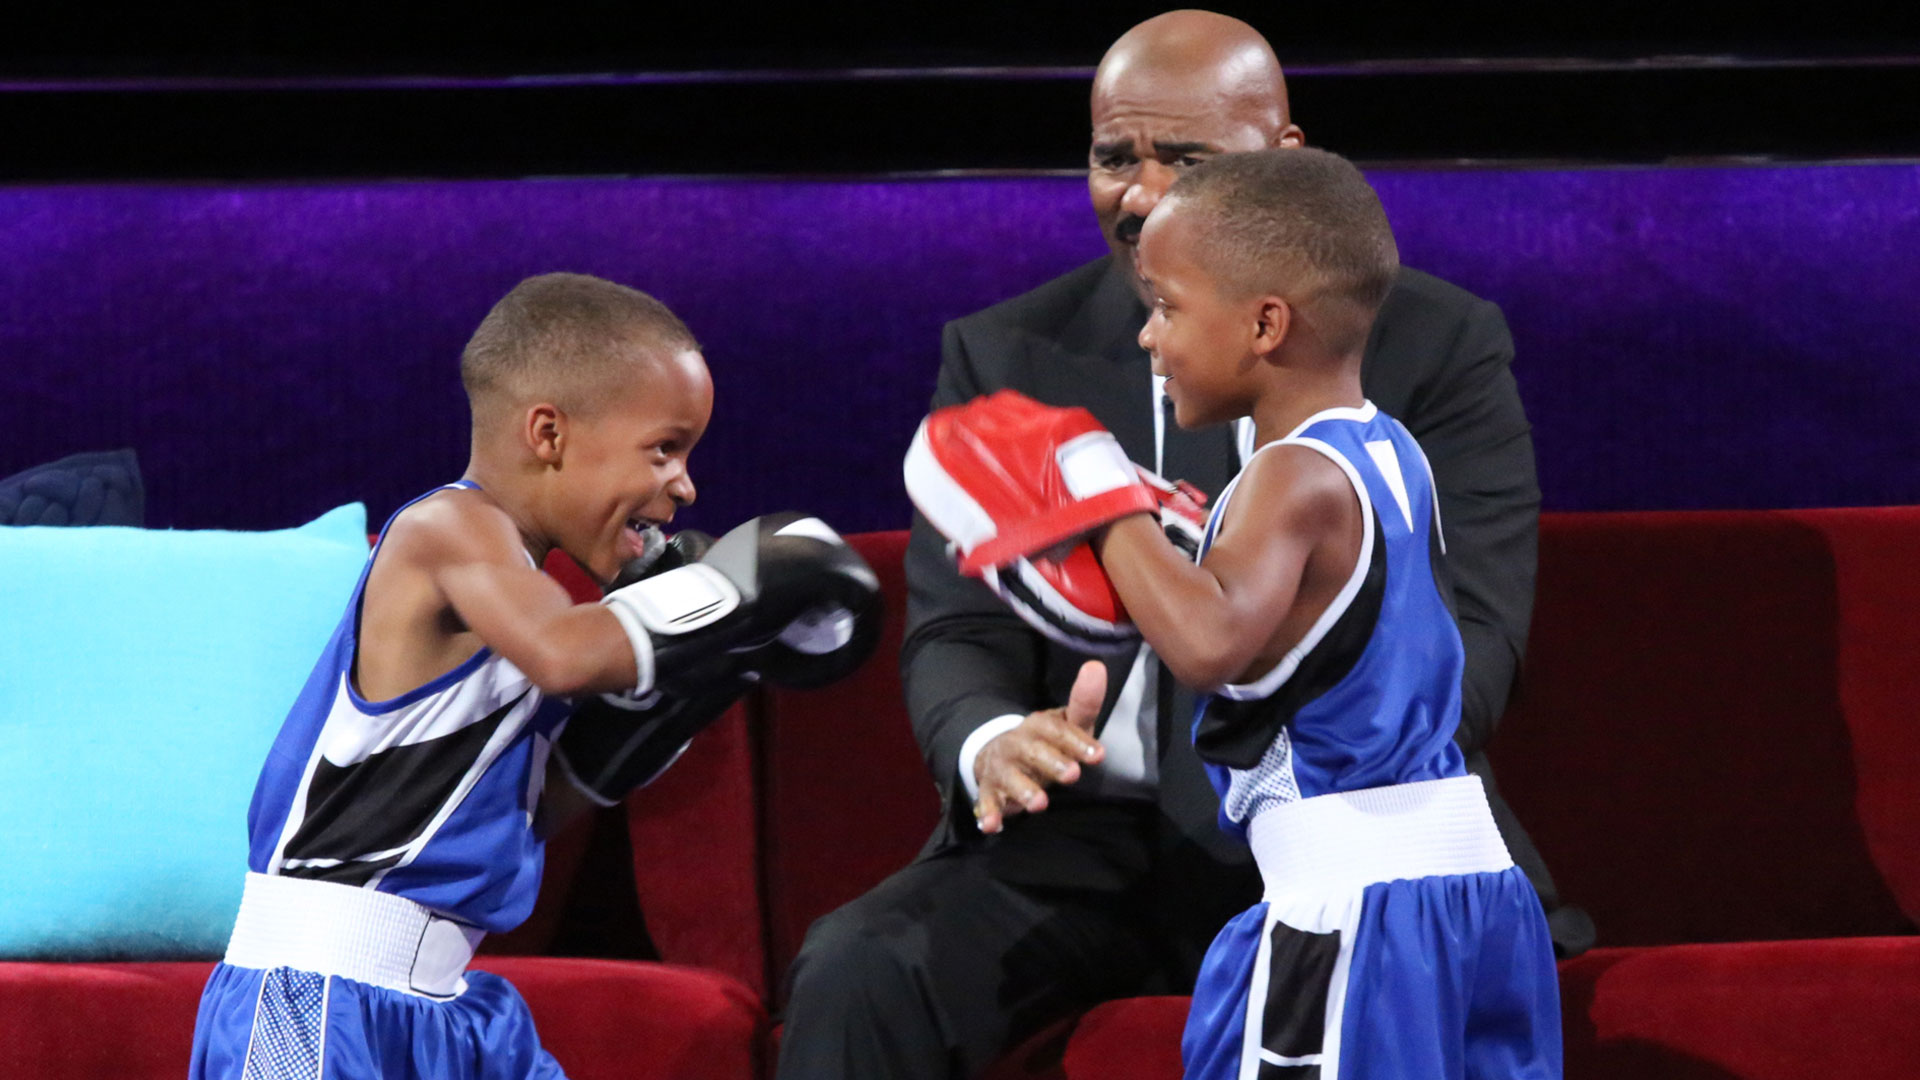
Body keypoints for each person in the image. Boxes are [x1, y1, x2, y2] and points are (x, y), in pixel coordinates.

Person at [777, 11, 1585, 1080]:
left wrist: (1101, 510)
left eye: (1187, 159)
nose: (1144, 193)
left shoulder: (1432, 345)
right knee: (859, 968)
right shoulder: (1005, 352)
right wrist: (991, 742)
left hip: (1340, 832)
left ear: (1285, 162)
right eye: (1116, 157)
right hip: (1079, 843)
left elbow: (1472, 636)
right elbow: (958, 626)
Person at [189, 272, 879, 1080]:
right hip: (314, 995)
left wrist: (671, 705)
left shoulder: (521, 590)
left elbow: (528, 812)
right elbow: (566, 651)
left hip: (449, 1009)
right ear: (547, 433)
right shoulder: (447, 529)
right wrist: (734, 591)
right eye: (664, 448)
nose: (686, 485)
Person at [1101, 146, 1560, 1079]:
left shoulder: (1291, 475)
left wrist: (1094, 504)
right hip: (1467, 890)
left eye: (1166, 306)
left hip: (1352, 906)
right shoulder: (1389, 449)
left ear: (1266, 323)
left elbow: (1208, 643)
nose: (1148, 338)